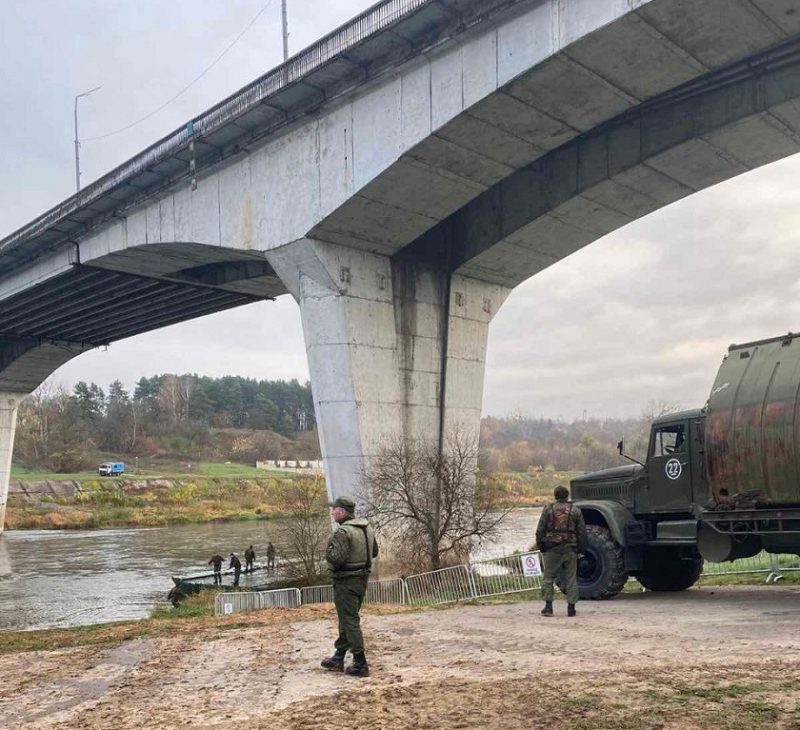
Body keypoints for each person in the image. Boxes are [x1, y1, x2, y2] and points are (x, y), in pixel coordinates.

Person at [320, 495, 378, 678]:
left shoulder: (342, 532)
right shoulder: (366, 528)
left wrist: (328, 551)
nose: (332, 512)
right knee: (347, 619)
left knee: (350, 621)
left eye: (334, 509)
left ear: (342, 512)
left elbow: (336, 559)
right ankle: (338, 656)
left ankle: (360, 663)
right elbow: (374, 551)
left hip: (346, 581)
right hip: (362, 580)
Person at [535, 485, 588, 617]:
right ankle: (571, 608)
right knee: (571, 578)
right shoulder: (575, 510)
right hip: (570, 548)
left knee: (548, 577)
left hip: (551, 549)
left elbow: (540, 529)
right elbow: (581, 532)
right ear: (567, 495)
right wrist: (581, 549)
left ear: (555, 495)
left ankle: (548, 607)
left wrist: (541, 545)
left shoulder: (548, 509)